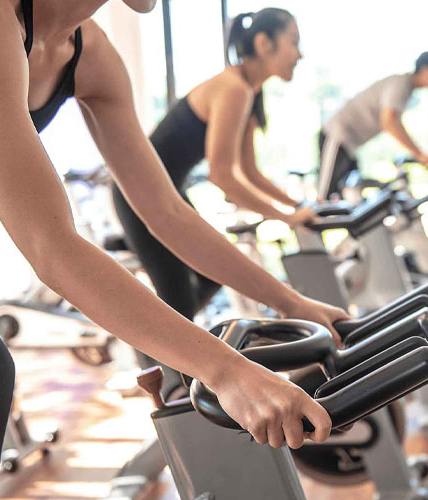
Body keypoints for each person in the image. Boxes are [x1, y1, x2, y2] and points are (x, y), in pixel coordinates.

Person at [0, 1, 347, 497]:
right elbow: (49, 246)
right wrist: (228, 371)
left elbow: (167, 213)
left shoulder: (88, 52)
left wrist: (291, 303)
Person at [112, 8, 317, 373]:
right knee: (179, 304)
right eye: (294, 43)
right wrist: (286, 217)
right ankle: (163, 384)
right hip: (137, 194)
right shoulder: (234, 88)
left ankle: (163, 356)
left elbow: (249, 172)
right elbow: (223, 177)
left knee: (208, 276)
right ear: (264, 43)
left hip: (166, 190)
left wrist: (298, 206)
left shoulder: (248, 92)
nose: (299, 54)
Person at [317, 50, 428, 200]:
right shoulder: (401, 84)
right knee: (325, 198)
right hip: (336, 135)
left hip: (350, 145)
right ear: (425, 70)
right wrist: (420, 154)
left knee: (349, 200)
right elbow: (389, 122)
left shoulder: (406, 89)